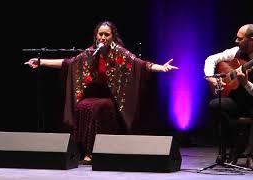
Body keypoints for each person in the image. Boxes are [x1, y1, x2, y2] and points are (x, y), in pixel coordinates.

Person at [25, 21, 178, 164]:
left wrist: (161, 67)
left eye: (107, 34)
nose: (103, 37)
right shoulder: (91, 53)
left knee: (96, 108)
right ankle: (81, 150)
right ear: (96, 35)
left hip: (112, 98)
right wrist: (41, 62)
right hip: (93, 96)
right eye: (100, 34)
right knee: (82, 106)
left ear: (113, 36)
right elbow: (68, 63)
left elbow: (142, 65)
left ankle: (93, 152)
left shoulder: (120, 53)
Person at [204, 24, 253, 171]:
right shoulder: (236, 51)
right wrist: (211, 77)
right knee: (216, 104)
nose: (236, 41)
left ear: (252, 40)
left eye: (240, 38)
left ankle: (251, 156)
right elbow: (211, 59)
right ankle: (235, 145)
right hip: (240, 102)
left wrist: (246, 84)